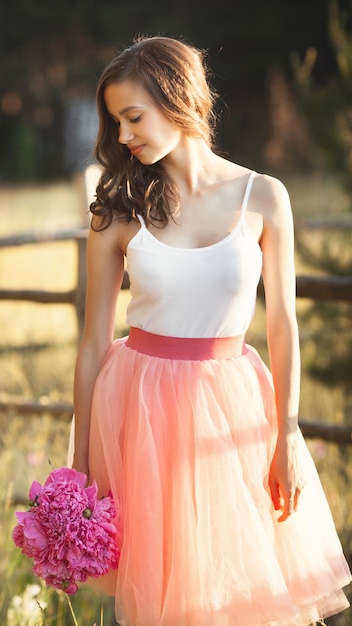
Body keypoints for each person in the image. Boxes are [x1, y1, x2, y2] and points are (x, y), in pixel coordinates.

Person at [67, 35, 351, 626]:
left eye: (134, 116)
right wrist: (84, 459)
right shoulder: (117, 209)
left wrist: (288, 436)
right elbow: (94, 342)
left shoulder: (264, 197)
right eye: (116, 121)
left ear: (176, 99)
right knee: (156, 591)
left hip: (233, 412)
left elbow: (282, 325)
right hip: (138, 414)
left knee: (234, 588)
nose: (122, 136)